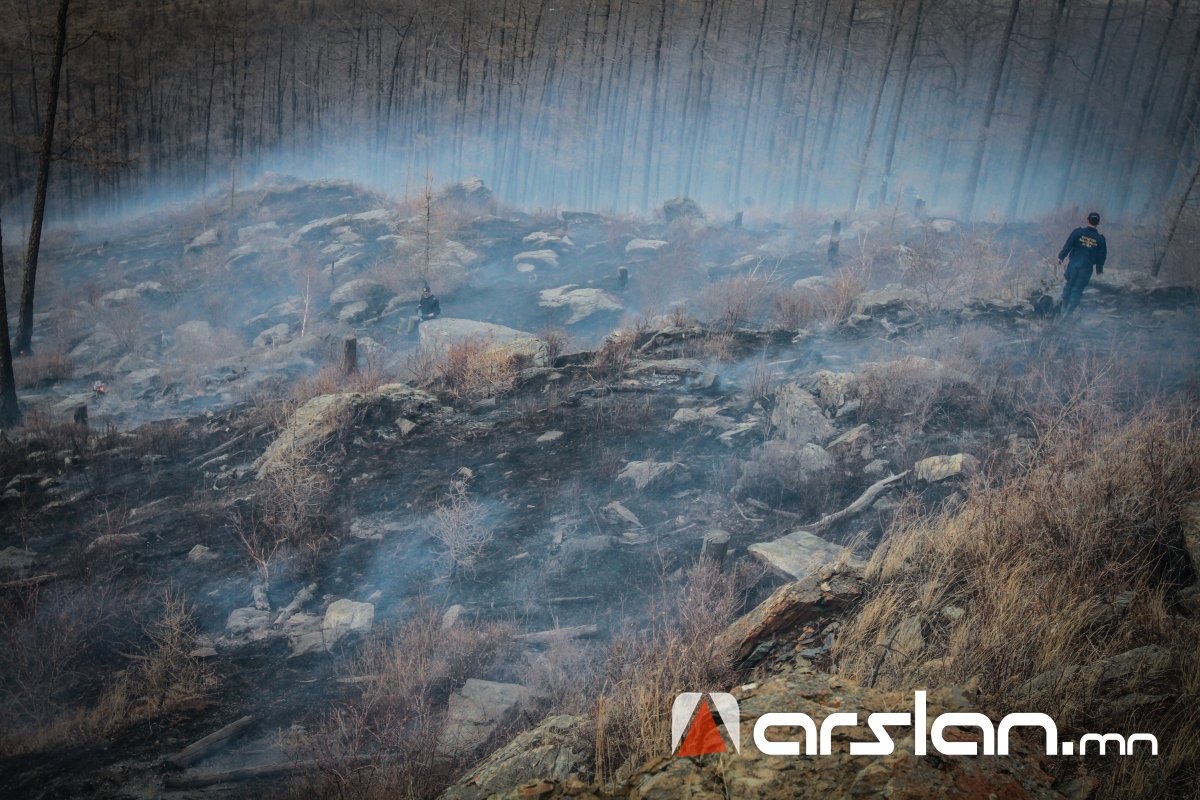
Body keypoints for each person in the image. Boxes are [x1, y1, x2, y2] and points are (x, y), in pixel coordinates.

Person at [1057, 212, 1107, 315]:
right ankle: (1068, 314)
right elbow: (1102, 256)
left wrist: (1061, 257)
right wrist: (1099, 269)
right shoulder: (1100, 239)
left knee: (1069, 285)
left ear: (1087, 220)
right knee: (1077, 289)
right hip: (1086, 268)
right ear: (1098, 222)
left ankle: (1063, 309)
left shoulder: (1078, 232)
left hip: (1073, 265)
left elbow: (1068, 245)